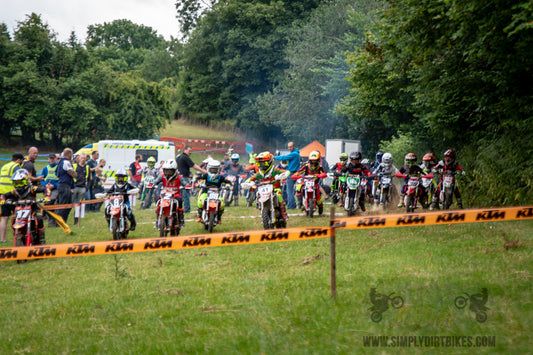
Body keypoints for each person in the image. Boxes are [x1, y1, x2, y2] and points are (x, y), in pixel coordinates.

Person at [0, 169, 50, 246]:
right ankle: (17, 235)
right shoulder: (15, 191)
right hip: (20, 211)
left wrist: (46, 196)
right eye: (16, 182)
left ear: (26, 180)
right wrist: (2, 199)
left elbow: (45, 189)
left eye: (20, 182)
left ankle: (41, 240)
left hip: (33, 210)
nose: (18, 185)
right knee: (13, 220)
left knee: (39, 219)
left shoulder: (32, 188)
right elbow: (4, 195)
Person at [246, 151, 289, 221]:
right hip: (263, 190)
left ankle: (283, 213)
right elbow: (251, 178)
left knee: (279, 195)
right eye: (259, 163)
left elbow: (286, 172)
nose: (261, 165)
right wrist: (247, 182)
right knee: (258, 194)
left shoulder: (275, 170)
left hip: (275, 189)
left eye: (263, 163)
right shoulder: (259, 173)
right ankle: (260, 207)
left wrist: (283, 176)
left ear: (269, 162)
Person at [291, 151, 328, 215]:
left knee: (318, 199)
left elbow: (324, 174)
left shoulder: (320, 167)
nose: (313, 162)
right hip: (305, 183)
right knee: (299, 187)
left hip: (315, 184)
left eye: (315, 161)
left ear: (318, 160)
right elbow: (296, 174)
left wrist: (318, 175)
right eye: (312, 161)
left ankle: (320, 207)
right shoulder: (306, 166)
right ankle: (299, 203)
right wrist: (299, 176)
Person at [153, 159, 187, 227]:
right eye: (166, 170)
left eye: (169, 171)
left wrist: (186, 186)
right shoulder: (162, 176)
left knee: (179, 201)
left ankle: (181, 220)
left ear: (174, 170)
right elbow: (155, 181)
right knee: (158, 199)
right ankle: (158, 219)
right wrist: (152, 184)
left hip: (175, 194)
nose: (167, 173)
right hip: (164, 194)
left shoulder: (179, 177)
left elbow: (185, 183)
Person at [0, 152, 24, 243]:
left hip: (2, 194)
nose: (21, 163)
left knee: (4, 217)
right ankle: (18, 237)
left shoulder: (4, 166)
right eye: (21, 161)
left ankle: (2, 239)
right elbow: (19, 180)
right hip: (12, 193)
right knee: (19, 216)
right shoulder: (16, 167)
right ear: (19, 160)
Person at [176, 146, 206, 213]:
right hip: (184, 178)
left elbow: (177, 167)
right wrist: (203, 171)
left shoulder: (179, 157)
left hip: (178, 178)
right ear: (185, 150)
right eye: (189, 150)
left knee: (178, 194)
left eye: (191, 151)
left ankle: (178, 208)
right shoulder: (185, 157)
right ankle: (186, 210)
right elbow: (194, 166)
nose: (190, 152)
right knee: (186, 194)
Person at [273, 142, 300, 209]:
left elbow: (284, 158)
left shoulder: (294, 154)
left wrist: (274, 157)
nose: (289, 148)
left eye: (290, 147)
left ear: (294, 146)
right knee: (291, 190)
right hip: (295, 173)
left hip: (291, 173)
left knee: (289, 190)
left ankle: (291, 205)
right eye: (288, 147)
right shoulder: (297, 153)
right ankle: (294, 203)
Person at [56, 148, 77, 224]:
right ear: (69, 154)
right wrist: (75, 173)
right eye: (71, 154)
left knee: (69, 204)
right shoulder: (65, 161)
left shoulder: (61, 162)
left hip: (65, 186)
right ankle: (58, 223)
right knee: (63, 205)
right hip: (64, 186)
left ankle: (63, 222)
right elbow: (73, 174)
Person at [40, 153, 60, 227]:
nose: (51, 160)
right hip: (47, 189)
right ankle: (49, 221)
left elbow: (60, 179)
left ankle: (54, 220)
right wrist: (45, 185)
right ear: (48, 159)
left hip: (55, 189)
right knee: (47, 204)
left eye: (53, 158)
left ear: (55, 159)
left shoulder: (58, 167)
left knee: (53, 201)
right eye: (50, 158)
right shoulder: (45, 168)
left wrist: (54, 185)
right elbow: (41, 179)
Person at [72, 153, 89, 224]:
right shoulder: (74, 166)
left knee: (79, 204)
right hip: (74, 186)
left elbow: (88, 178)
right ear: (79, 159)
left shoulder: (87, 167)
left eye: (84, 158)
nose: (83, 159)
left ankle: (76, 220)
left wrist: (86, 188)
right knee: (70, 202)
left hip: (82, 187)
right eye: (82, 158)